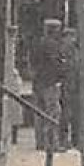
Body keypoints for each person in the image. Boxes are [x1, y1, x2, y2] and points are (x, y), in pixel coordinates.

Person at [30, 19, 66, 154]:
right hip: (50, 82)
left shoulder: (38, 43)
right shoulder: (53, 45)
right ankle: (52, 143)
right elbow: (56, 63)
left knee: (39, 112)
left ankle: (40, 142)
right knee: (53, 112)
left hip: (38, 82)